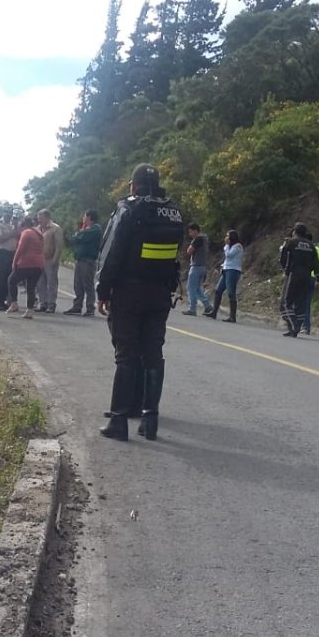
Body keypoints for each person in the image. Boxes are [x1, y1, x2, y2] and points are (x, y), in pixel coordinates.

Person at [97, 163, 183, 442]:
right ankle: (150, 420)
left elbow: (111, 253)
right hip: (159, 294)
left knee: (126, 354)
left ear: (133, 185)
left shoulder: (128, 209)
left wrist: (103, 290)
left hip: (128, 292)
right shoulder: (174, 212)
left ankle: (119, 420)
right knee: (153, 354)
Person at [278, 223, 319, 338]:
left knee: (286, 303)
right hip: (307, 275)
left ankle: (294, 325)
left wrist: (286, 270)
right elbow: (316, 263)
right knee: (300, 303)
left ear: (294, 231)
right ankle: (294, 329)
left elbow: (283, 258)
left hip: (294, 274)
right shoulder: (311, 245)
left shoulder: (290, 242)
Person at [64, 209, 102, 316]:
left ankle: (90, 308)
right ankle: (77, 306)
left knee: (87, 284)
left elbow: (79, 238)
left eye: (85, 216)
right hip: (80, 259)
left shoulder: (95, 229)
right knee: (78, 284)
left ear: (89, 217)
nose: (83, 218)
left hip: (88, 260)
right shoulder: (85, 229)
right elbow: (76, 239)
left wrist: (78, 235)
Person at [6, 216, 44, 319]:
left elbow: (20, 249)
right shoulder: (38, 233)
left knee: (11, 280)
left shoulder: (26, 233)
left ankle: (14, 303)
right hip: (38, 264)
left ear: (24, 225)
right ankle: (29, 310)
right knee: (31, 287)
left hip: (27, 262)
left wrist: (14, 262)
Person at [204, 230, 243, 323]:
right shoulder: (230, 246)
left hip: (233, 270)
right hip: (226, 270)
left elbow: (229, 255)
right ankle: (214, 311)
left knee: (231, 292)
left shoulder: (237, 246)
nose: (226, 237)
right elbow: (227, 259)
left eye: (227, 236)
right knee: (218, 290)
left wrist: (226, 246)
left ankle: (232, 316)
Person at [180, 223, 212, 316]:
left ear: (195, 230)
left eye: (190, 232)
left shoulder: (198, 239)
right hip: (203, 266)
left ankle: (192, 308)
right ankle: (207, 306)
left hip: (196, 266)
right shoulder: (205, 238)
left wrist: (191, 245)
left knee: (191, 288)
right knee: (198, 288)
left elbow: (189, 251)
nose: (190, 234)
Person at [0, 209, 20, 310]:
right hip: (2, 253)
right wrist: (12, 234)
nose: (8, 215)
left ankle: (3, 301)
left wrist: (16, 227)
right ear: (3, 213)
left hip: (11, 254)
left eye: (10, 213)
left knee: (7, 278)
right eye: (6, 212)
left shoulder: (13, 224)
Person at [35, 209, 63, 313]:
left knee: (51, 283)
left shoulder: (55, 228)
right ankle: (43, 303)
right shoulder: (37, 229)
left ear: (47, 217)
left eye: (41, 218)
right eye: (38, 218)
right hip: (39, 259)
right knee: (40, 283)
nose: (39, 220)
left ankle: (51, 304)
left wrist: (55, 259)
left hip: (50, 259)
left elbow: (59, 246)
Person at [299, 231, 319, 335]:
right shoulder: (318, 250)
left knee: (302, 303)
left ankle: (303, 325)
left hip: (304, 278)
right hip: (313, 279)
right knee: (306, 303)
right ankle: (305, 326)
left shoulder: (304, 249)